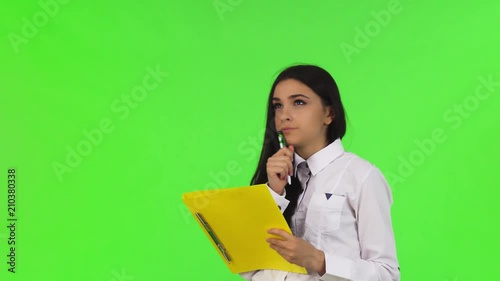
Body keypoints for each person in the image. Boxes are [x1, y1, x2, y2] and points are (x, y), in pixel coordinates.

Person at [239, 64, 400, 281]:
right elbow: (249, 268)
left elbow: (387, 274)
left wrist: (318, 260)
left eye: (299, 102)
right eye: (277, 106)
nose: (284, 115)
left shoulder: (361, 177)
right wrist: (274, 194)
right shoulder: (275, 180)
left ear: (329, 113)